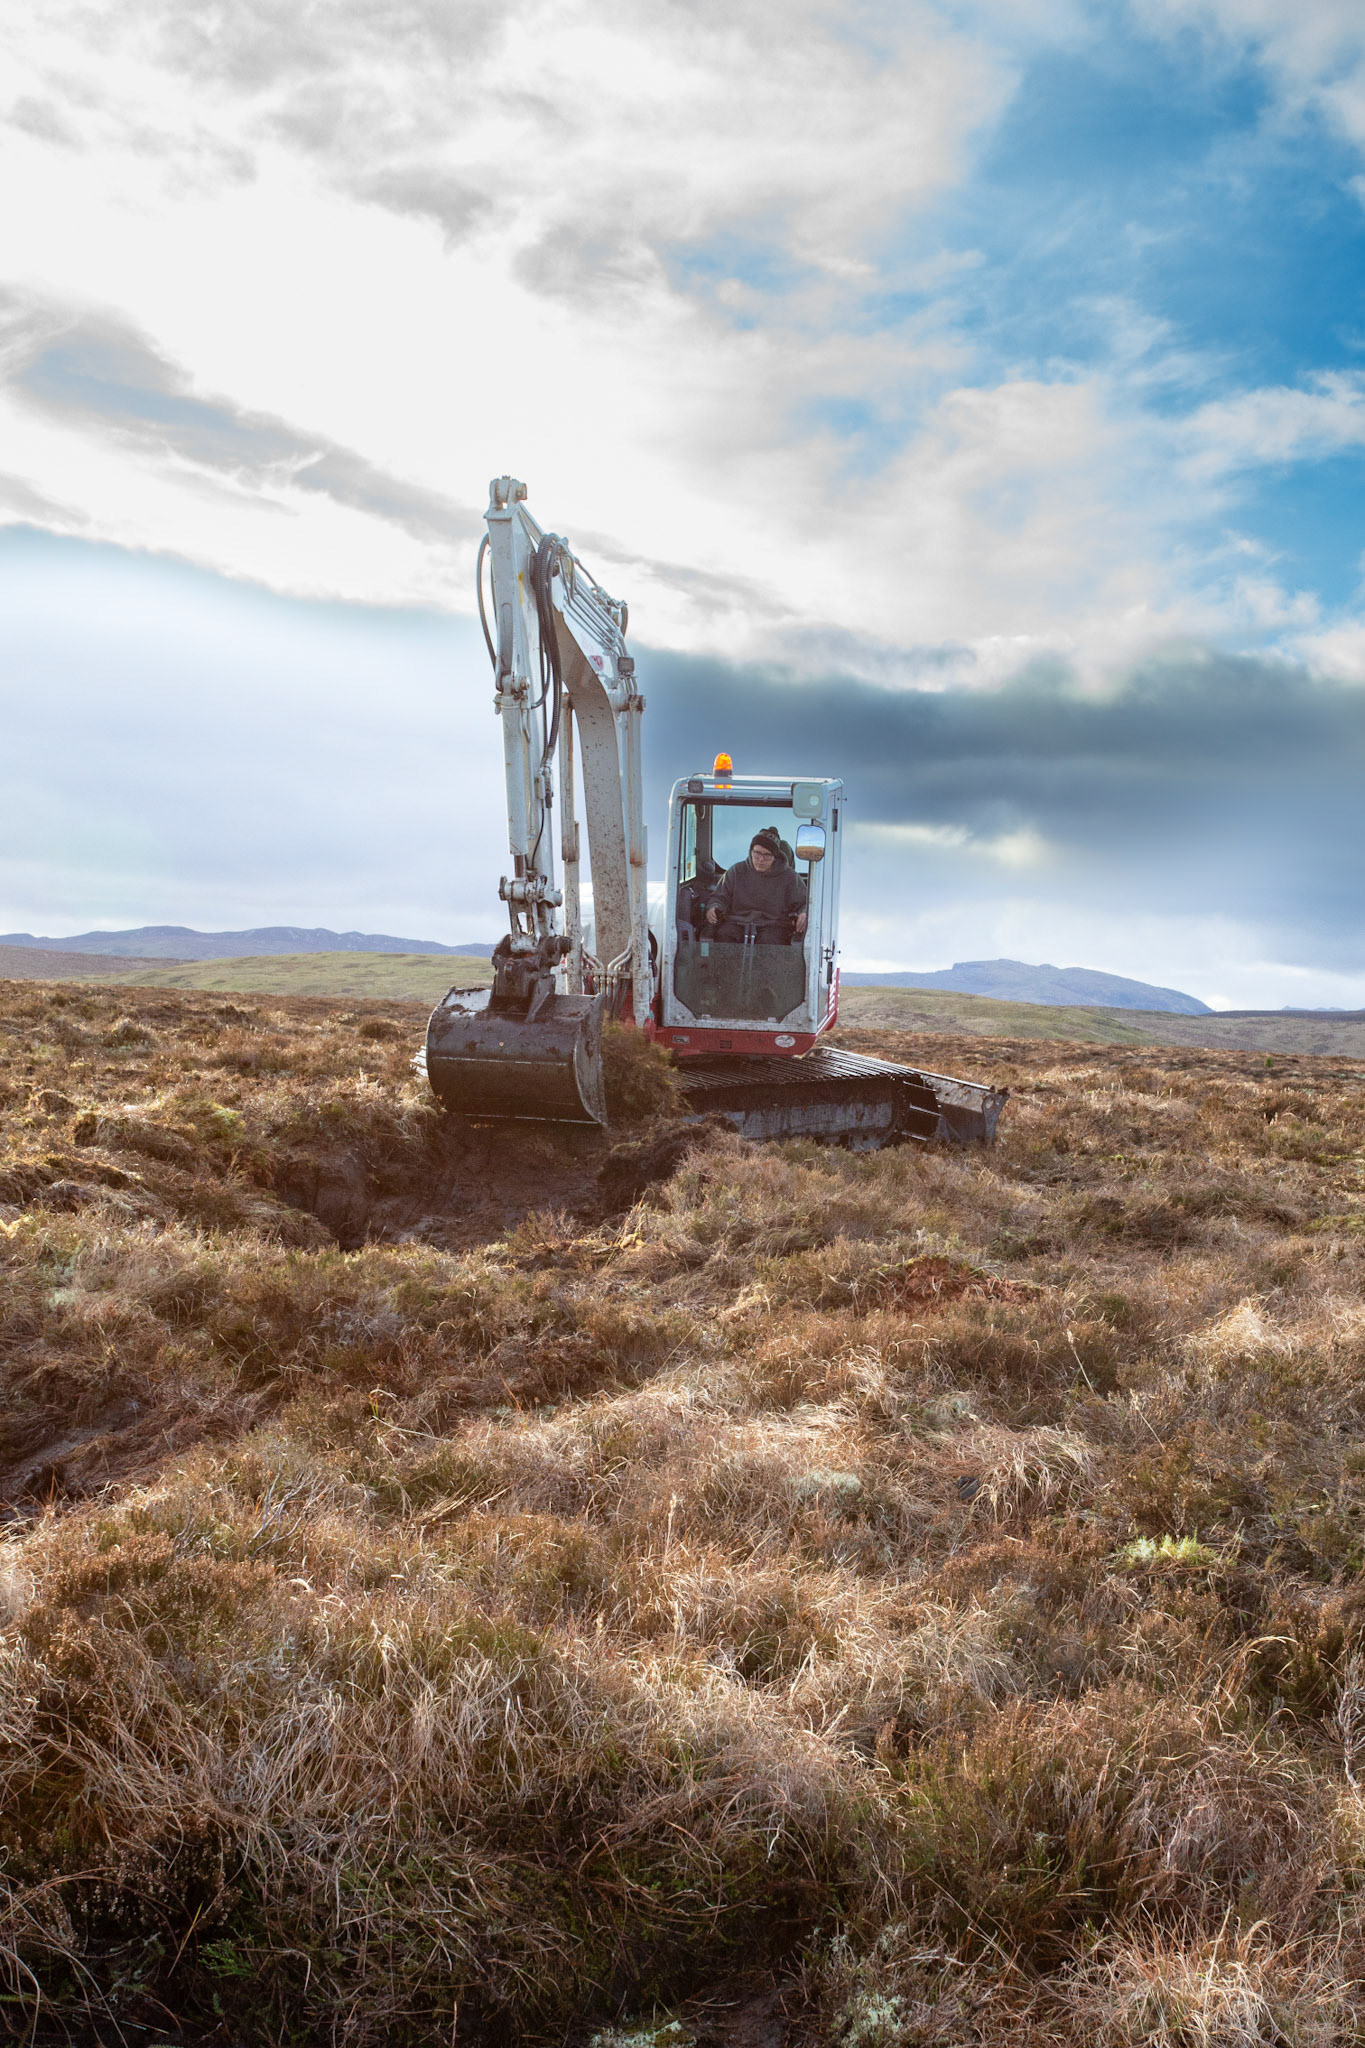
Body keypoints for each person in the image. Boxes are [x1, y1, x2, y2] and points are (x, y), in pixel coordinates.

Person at [705, 827, 807, 943]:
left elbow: (805, 903)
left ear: (775, 856)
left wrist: (804, 913)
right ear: (750, 852)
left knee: (770, 941)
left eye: (767, 855)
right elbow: (719, 897)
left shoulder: (790, 877)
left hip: (773, 925)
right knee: (724, 934)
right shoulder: (736, 871)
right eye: (757, 853)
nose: (761, 859)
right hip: (738, 922)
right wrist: (714, 907)